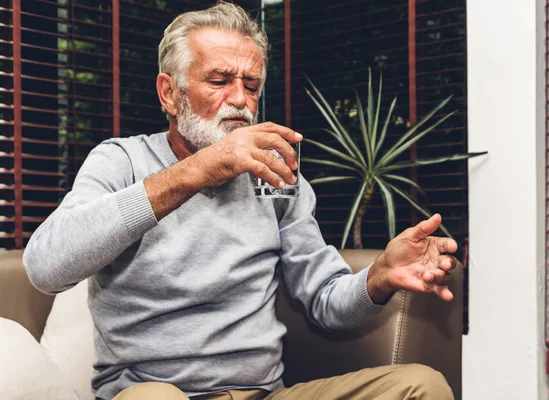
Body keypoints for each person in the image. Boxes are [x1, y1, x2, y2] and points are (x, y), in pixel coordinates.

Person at [23, 3, 457, 400]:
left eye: (251, 85)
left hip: (263, 394)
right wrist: (197, 171)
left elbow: (325, 302)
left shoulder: (275, 175)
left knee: (421, 386)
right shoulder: (122, 160)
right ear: (170, 94)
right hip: (154, 394)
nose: (240, 101)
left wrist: (378, 276)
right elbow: (46, 266)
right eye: (219, 80)